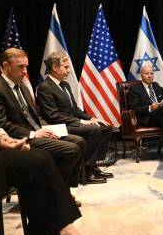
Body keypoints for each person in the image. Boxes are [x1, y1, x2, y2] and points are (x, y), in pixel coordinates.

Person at [0, 20, 94, 235]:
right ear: (5, 66)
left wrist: (4, 138)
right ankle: (59, 226)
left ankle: (46, 229)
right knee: (42, 158)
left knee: (55, 153)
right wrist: (4, 143)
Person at [0, 48, 86, 190]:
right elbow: (2, 124)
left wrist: (46, 128)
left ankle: (61, 191)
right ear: (6, 66)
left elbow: (36, 116)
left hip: (38, 132)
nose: (25, 71)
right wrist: (33, 134)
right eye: (20, 67)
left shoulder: (23, 88)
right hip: (22, 138)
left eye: (26, 66)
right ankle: (57, 190)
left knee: (79, 141)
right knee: (71, 149)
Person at [37, 52, 112, 184]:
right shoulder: (45, 88)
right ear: (55, 67)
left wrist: (92, 118)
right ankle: (85, 170)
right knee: (94, 130)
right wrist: (82, 122)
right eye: (65, 67)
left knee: (105, 127)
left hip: (71, 123)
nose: (68, 70)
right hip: (59, 126)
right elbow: (52, 116)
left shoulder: (64, 85)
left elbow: (76, 110)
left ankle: (91, 166)